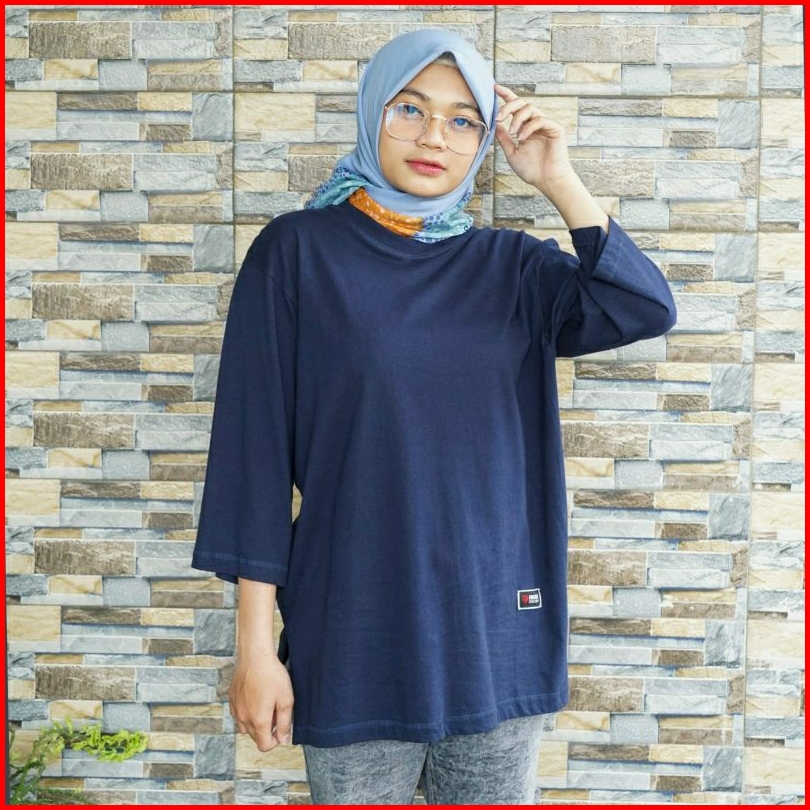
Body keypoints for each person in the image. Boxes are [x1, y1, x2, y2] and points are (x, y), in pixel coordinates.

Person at [192, 28, 676, 805]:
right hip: (353, 632)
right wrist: (253, 648)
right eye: (410, 109)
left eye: (462, 120)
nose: (433, 137)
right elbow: (253, 461)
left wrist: (558, 178)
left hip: (496, 637)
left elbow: (643, 305)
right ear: (371, 112)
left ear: (485, 140)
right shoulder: (297, 253)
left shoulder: (514, 268)